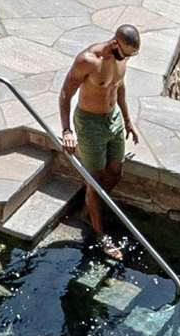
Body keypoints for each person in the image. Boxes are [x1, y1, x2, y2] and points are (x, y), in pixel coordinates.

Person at [58, 24, 145, 246]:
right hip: (90, 124)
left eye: (132, 55)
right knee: (94, 182)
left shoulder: (122, 58)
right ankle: (99, 234)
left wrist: (127, 120)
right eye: (126, 54)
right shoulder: (88, 60)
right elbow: (66, 93)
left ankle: (87, 210)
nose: (128, 58)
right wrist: (67, 130)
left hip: (113, 118)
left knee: (115, 173)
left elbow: (119, 86)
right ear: (115, 44)